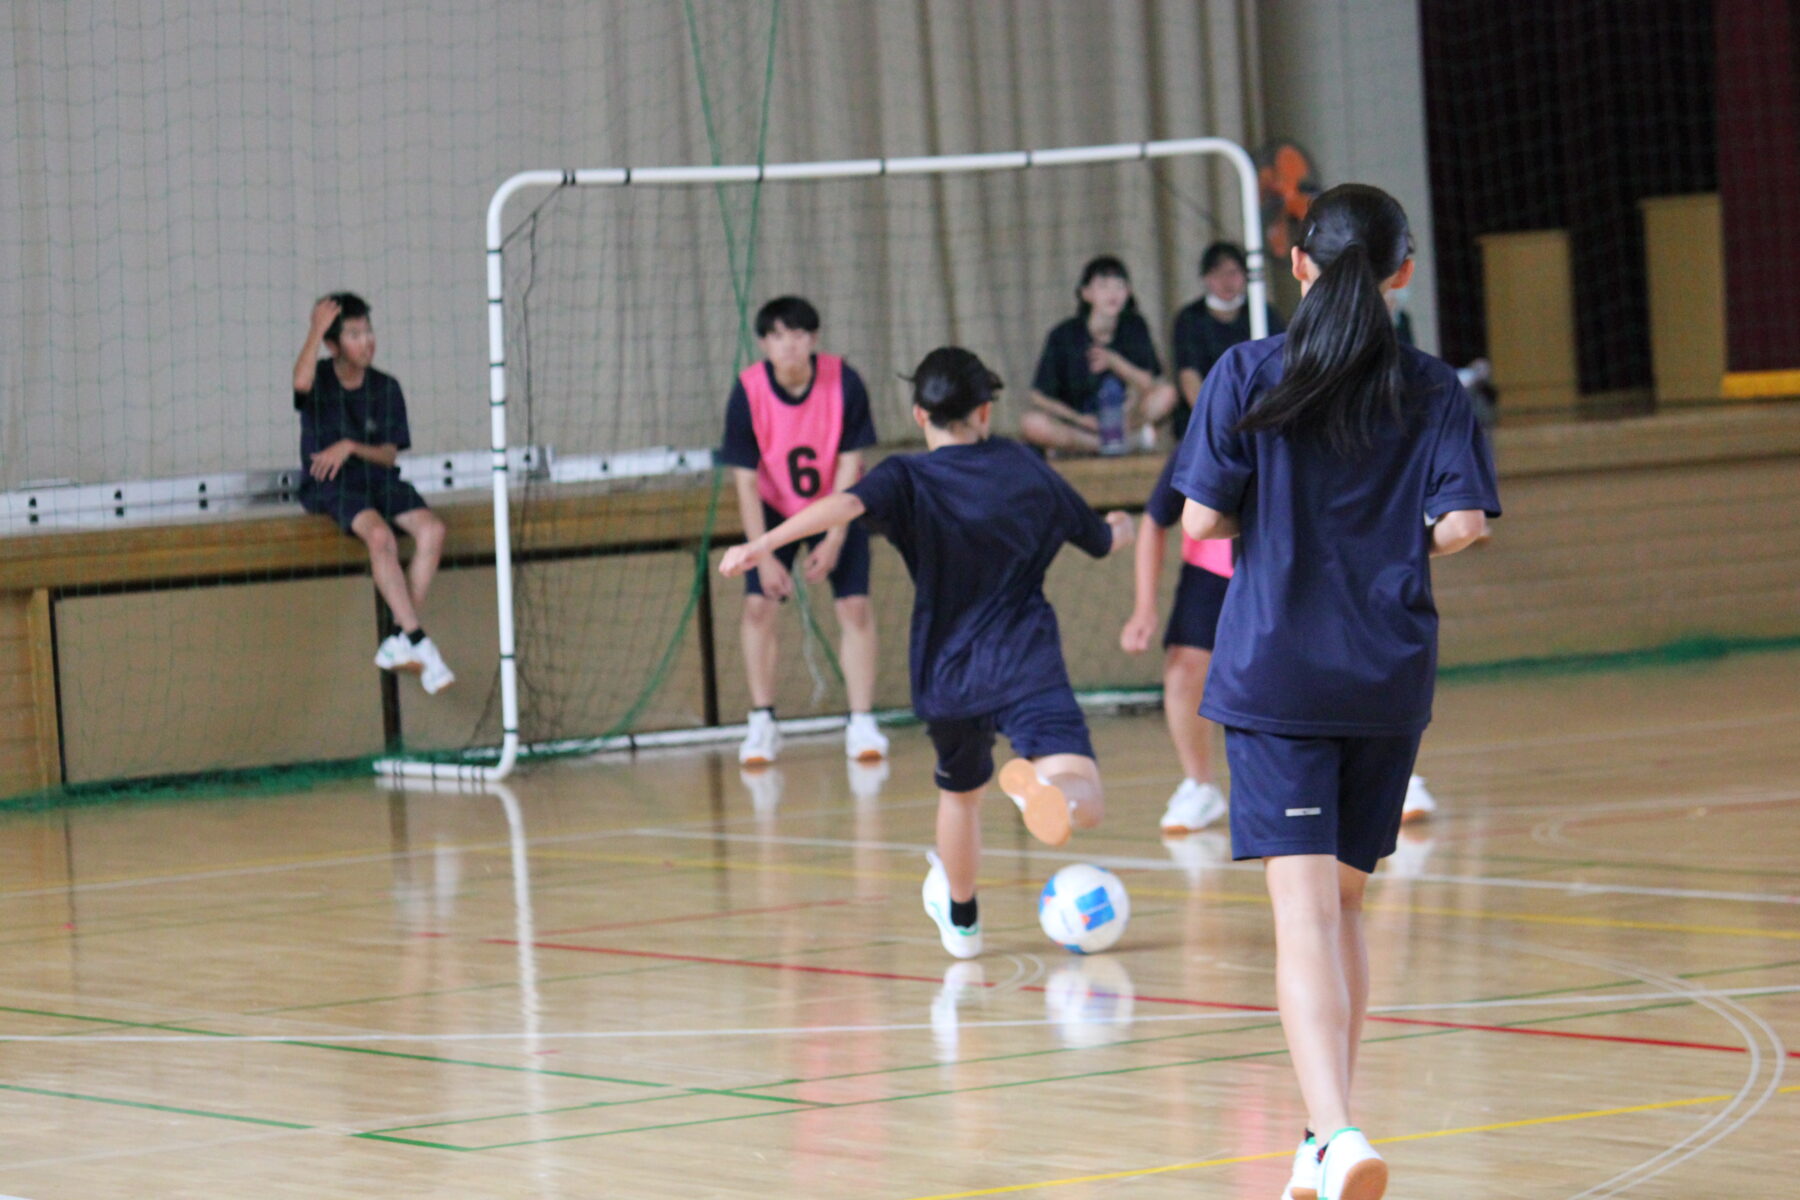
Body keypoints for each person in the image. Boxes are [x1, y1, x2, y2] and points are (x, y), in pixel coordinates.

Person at [1172, 184, 1499, 1200]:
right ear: (1403, 273)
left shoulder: (1246, 371)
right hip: (1387, 674)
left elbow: (1196, 524)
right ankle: (1322, 1140)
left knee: (1306, 918)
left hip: (1278, 670)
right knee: (1346, 906)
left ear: (1299, 266)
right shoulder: (1436, 387)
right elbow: (1464, 528)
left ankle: (1336, 1128)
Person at [721, 348, 1133, 959]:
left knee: (960, 796)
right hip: (1026, 662)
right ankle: (1053, 794)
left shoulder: (907, 478)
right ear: (985, 412)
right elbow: (1099, 540)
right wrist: (1121, 527)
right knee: (1084, 791)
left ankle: (963, 923)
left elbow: (846, 505)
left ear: (920, 414)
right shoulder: (1024, 466)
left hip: (949, 671)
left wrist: (767, 540)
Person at [718, 296, 887, 767]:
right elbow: (745, 481)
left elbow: (852, 462)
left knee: (854, 606)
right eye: (776, 336)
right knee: (757, 607)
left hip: (837, 502)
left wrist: (834, 537)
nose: (788, 345)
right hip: (774, 507)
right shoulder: (748, 391)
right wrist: (764, 553)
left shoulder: (843, 382)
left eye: (796, 334)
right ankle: (762, 721)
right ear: (764, 344)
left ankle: (861, 720)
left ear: (812, 339)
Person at [293, 293, 453, 694]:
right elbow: (299, 383)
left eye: (369, 332)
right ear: (333, 345)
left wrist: (349, 446)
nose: (367, 341)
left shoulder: (386, 388)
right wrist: (315, 330)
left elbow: (386, 454)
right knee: (379, 536)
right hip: (333, 485)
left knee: (433, 531)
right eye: (354, 334)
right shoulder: (320, 380)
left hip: (377, 479)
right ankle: (417, 642)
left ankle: (402, 636)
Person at [1119, 450, 1232, 836]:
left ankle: (1386, 777)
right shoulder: (1208, 434)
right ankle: (1201, 785)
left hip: (1285, 562)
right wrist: (1144, 608)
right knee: (1184, 670)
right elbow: (1155, 518)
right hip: (1214, 568)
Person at [1022, 256, 1177, 455]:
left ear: (1128, 292)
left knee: (1167, 393)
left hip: (1126, 418)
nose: (1113, 294)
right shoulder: (1064, 334)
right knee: (1031, 423)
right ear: (1086, 293)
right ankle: (1106, 445)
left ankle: (1119, 439)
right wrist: (1080, 419)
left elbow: (1148, 382)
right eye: (1103, 286)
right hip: (1082, 423)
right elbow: (1038, 396)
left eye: (1119, 286)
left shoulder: (1135, 327)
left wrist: (1114, 362)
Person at [1169, 241, 1286, 441]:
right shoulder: (1190, 318)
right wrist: (1214, 419)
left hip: (1259, 413)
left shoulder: (1263, 314)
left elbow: (1281, 368)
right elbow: (1189, 377)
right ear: (1206, 278)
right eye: (1217, 274)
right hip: (1206, 415)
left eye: (1233, 273)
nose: (1226, 281)